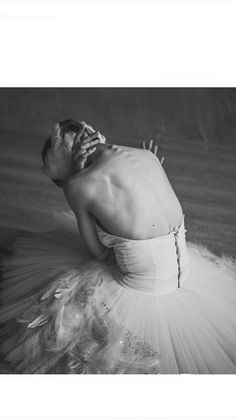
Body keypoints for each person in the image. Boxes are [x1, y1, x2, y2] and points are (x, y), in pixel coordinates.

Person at [0, 119, 236, 374]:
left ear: (64, 168)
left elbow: (100, 254)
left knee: (61, 308)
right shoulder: (147, 156)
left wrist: (74, 182)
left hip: (142, 285)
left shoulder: (77, 185)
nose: (60, 186)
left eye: (58, 180)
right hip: (183, 268)